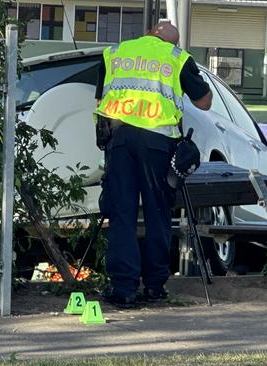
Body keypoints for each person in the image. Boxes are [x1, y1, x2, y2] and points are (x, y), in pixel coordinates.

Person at [94, 22, 212, 308]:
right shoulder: (176, 58)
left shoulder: (115, 53)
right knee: (157, 212)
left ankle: (123, 288)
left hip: (119, 138)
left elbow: (100, 99)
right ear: (173, 42)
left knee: (122, 212)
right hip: (158, 143)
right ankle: (155, 286)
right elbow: (205, 102)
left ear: (148, 33)